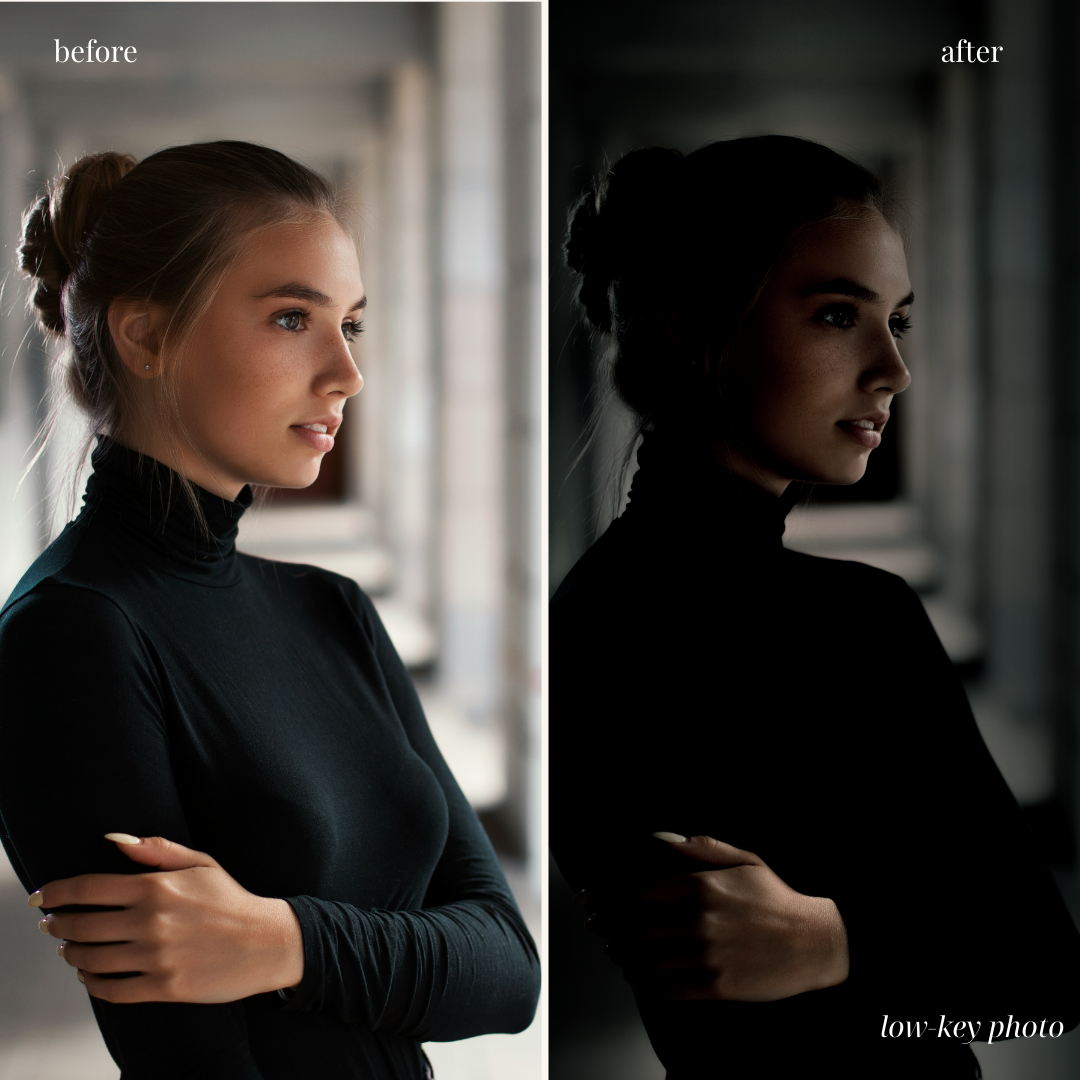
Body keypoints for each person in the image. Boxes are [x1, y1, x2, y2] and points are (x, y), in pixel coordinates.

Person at [0, 141, 539, 1080]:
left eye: (352, 325)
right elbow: (190, 1061)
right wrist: (377, 952)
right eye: (293, 317)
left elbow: (511, 970)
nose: (345, 373)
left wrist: (281, 941)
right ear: (144, 334)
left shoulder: (334, 610)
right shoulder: (69, 635)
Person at [550, 135, 1080, 1079]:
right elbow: (1040, 985)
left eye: (899, 322)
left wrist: (834, 946)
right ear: (692, 324)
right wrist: (857, 950)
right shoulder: (857, 624)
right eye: (839, 314)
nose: (891, 369)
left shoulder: (585, 613)